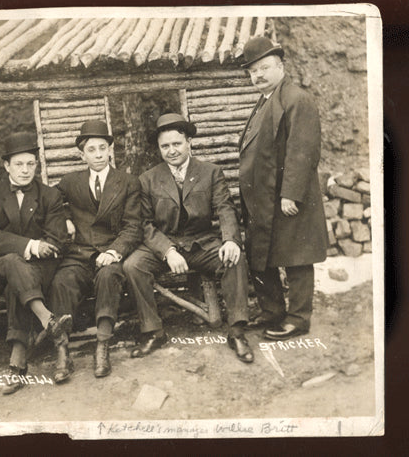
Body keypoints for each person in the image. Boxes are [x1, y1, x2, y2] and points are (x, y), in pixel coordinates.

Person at [123, 113, 254, 364]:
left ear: (188, 142)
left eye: (177, 143)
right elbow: (144, 224)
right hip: (164, 244)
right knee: (133, 265)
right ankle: (153, 331)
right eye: (165, 146)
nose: (172, 151)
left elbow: (225, 208)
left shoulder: (210, 172)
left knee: (234, 259)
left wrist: (230, 240)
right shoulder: (148, 179)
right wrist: (168, 251)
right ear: (159, 149)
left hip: (201, 243)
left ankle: (237, 331)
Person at [239, 37, 328, 340]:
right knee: (264, 255)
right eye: (253, 71)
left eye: (265, 68)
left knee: (296, 257)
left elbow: (303, 150)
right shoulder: (265, 101)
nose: (259, 75)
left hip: (286, 197)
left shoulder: (295, 98)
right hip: (264, 197)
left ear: (281, 66)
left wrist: (290, 193)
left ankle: (298, 319)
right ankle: (273, 312)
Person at [0, 132, 72, 394]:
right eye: (18, 164)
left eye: (31, 164)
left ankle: (17, 364)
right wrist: (30, 245)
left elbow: (56, 239)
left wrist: (40, 249)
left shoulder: (49, 195)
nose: (25, 170)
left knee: (16, 284)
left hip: (37, 270)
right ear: (6, 166)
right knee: (11, 262)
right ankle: (47, 319)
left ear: (37, 165)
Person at [48, 120, 142, 379]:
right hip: (79, 253)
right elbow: (51, 203)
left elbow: (134, 226)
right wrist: (65, 217)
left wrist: (114, 252)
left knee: (109, 277)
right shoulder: (70, 182)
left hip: (111, 252)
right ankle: (62, 351)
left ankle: (102, 345)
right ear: (82, 154)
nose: (98, 154)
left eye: (103, 148)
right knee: (62, 281)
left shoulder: (128, 182)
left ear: (111, 150)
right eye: (92, 150)